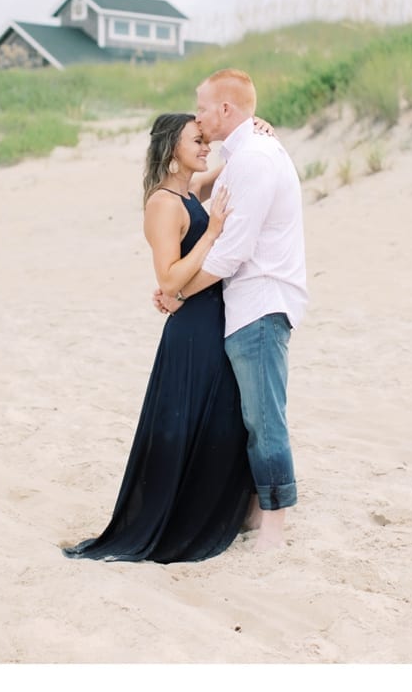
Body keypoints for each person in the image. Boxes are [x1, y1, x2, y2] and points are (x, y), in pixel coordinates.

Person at [63, 113, 256, 563]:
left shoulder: (189, 191)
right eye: (197, 141)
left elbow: (228, 170)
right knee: (190, 421)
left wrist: (253, 128)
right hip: (193, 330)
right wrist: (211, 234)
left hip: (209, 318)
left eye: (206, 140)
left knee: (218, 418)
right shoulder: (163, 203)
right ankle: (181, 520)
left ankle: (217, 509)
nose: (206, 147)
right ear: (172, 149)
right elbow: (168, 279)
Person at [157, 68, 309, 552]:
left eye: (203, 106)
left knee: (265, 418)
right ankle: (251, 511)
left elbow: (231, 252)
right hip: (242, 306)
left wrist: (177, 294)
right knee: (247, 415)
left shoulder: (256, 159)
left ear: (225, 109)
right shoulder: (245, 155)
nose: (198, 117)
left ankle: (275, 527)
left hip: (261, 302)